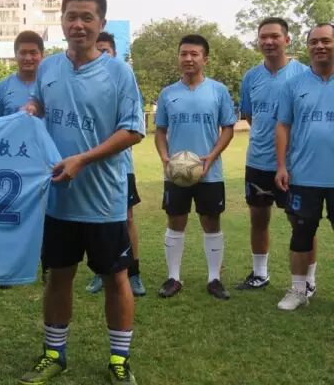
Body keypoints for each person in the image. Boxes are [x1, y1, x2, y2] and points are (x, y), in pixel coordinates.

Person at [19, 0, 144, 385]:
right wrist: (33, 107)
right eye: (71, 16)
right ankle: (54, 354)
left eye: (87, 17)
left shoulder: (119, 72)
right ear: (61, 21)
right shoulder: (49, 68)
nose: (78, 24)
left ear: (101, 23)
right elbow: (42, 104)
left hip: (104, 200)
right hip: (58, 199)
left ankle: (119, 360)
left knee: (116, 278)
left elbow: (133, 130)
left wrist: (83, 159)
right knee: (58, 276)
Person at [155, 34, 236, 300]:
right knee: (175, 221)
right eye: (183, 54)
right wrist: (165, 158)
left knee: (211, 222)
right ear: (178, 57)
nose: (188, 58)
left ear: (205, 59)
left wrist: (211, 156)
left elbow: (228, 128)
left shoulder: (218, 91)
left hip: (209, 172)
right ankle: (173, 278)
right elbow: (160, 131)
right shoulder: (167, 94)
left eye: (194, 54)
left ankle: (214, 279)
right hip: (177, 173)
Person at [236, 18, 313, 292]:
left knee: (302, 223)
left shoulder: (304, 74)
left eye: (274, 37)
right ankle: (260, 274)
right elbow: (249, 116)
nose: (268, 42)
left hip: (295, 164)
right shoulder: (251, 77)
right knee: (258, 218)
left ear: (287, 40)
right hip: (257, 161)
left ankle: (309, 281)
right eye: (263, 37)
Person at [275, 23, 334, 311]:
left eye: (326, 41)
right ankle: (298, 290)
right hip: (303, 175)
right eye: (314, 42)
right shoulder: (293, 84)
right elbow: (283, 125)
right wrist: (281, 165)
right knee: (301, 234)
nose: (319, 46)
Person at [86, 31, 146, 297]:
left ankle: (133, 273)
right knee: (93, 219)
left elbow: (133, 129)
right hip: (88, 168)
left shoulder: (123, 81)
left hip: (120, 167)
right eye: (97, 50)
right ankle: (100, 272)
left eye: (105, 51)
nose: (100, 55)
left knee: (127, 217)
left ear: (114, 53)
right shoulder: (83, 84)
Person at [0, 30, 44, 117]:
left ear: (42, 55)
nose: (28, 58)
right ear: (15, 55)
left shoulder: (50, 86)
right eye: (23, 53)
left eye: (33, 53)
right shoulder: (2, 88)